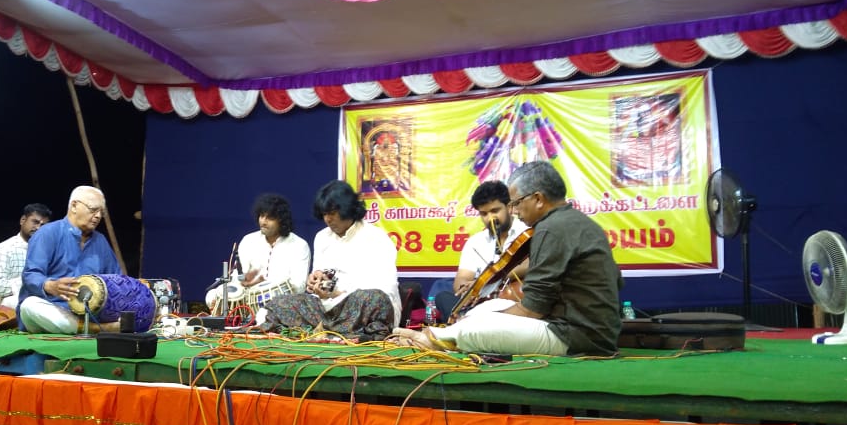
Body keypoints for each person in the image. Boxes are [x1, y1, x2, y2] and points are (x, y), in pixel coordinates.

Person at [391, 161, 621, 356]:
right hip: (588, 328)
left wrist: (482, 320)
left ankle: (432, 340)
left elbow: (533, 309)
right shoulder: (578, 222)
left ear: (538, 199)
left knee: (477, 325)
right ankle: (442, 337)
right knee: (489, 307)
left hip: (577, 336)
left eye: (516, 203)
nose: (515, 211)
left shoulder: (551, 229)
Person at [261, 180, 401, 340]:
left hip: (362, 308)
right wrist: (316, 281)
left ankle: (326, 332)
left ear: (348, 209)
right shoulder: (322, 237)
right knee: (279, 303)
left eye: (332, 213)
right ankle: (338, 333)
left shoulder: (376, 238)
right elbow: (322, 279)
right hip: (328, 309)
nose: (327, 219)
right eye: (324, 214)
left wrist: (339, 294)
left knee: (375, 298)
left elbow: (384, 289)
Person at [17, 186, 121, 334]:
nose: (98, 216)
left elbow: (116, 279)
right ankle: (97, 329)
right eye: (93, 209)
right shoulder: (48, 233)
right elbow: (31, 275)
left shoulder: (100, 241)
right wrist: (50, 285)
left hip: (88, 314)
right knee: (30, 305)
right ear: (74, 206)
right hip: (50, 309)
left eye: (101, 212)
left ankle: (86, 326)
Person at [434, 181, 529, 322]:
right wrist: (467, 290)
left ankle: (468, 325)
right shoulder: (475, 242)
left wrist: (485, 281)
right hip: (480, 303)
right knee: (443, 297)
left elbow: (530, 265)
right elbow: (461, 279)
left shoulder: (526, 233)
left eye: (495, 211)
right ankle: (470, 323)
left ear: (509, 207)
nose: (490, 218)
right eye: (484, 213)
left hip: (514, 302)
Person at [205, 193, 311, 311]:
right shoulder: (249, 240)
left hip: (282, 303)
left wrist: (269, 293)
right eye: (261, 216)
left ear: (281, 220)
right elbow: (238, 277)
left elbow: (299, 286)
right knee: (212, 295)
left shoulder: (299, 245)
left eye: (269, 218)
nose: (263, 222)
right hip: (249, 300)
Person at [0, 203, 52, 309]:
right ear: (22, 220)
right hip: (7, 310)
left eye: (43, 225)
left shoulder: (49, 251)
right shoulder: (3, 249)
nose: (39, 228)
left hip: (42, 303)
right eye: (35, 222)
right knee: (30, 302)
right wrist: (31, 279)